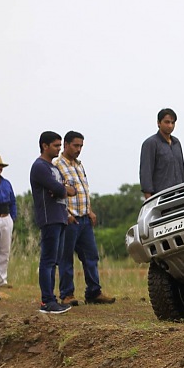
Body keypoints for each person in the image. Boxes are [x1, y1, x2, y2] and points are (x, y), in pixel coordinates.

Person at [54, 132, 115, 306]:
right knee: (66, 258)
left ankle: (94, 292)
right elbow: (56, 194)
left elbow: (83, 190)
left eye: (81, 146)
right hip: (69, 219)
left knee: (91, 256)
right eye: (75, 145)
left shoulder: (79, 165)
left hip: (84, 218)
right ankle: (67, 294)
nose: (79, 149)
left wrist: (90, 210)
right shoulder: (57, 165)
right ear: (65, 145)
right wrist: (66, 215)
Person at [30, 132, 76, 314]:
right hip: (49, 218)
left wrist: (63, 190)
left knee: (55, 260)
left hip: (60, 217)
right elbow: (60, 188)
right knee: (48, 261)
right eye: (56, 146)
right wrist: (63, 189)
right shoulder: (40, 167)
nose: (59, 149)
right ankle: (47, 301)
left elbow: (69, 189)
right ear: (44, 146)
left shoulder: (53, 168)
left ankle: (52, 299)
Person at [139, 108, 184, 199]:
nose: (170, 126)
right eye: (167, 122)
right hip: (161, 197)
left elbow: (181, 170)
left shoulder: (176, 143)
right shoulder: (151, 143)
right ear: (159, 123)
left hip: (179, 195)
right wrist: (149, 200)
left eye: (173, 123)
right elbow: (146, 173)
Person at [0, 155, 17, 289]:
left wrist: (12, 218)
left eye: (0, 167)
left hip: (6, 217)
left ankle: (2, 280)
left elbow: (13, 201)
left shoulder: (6, 183)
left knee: (5, 250)